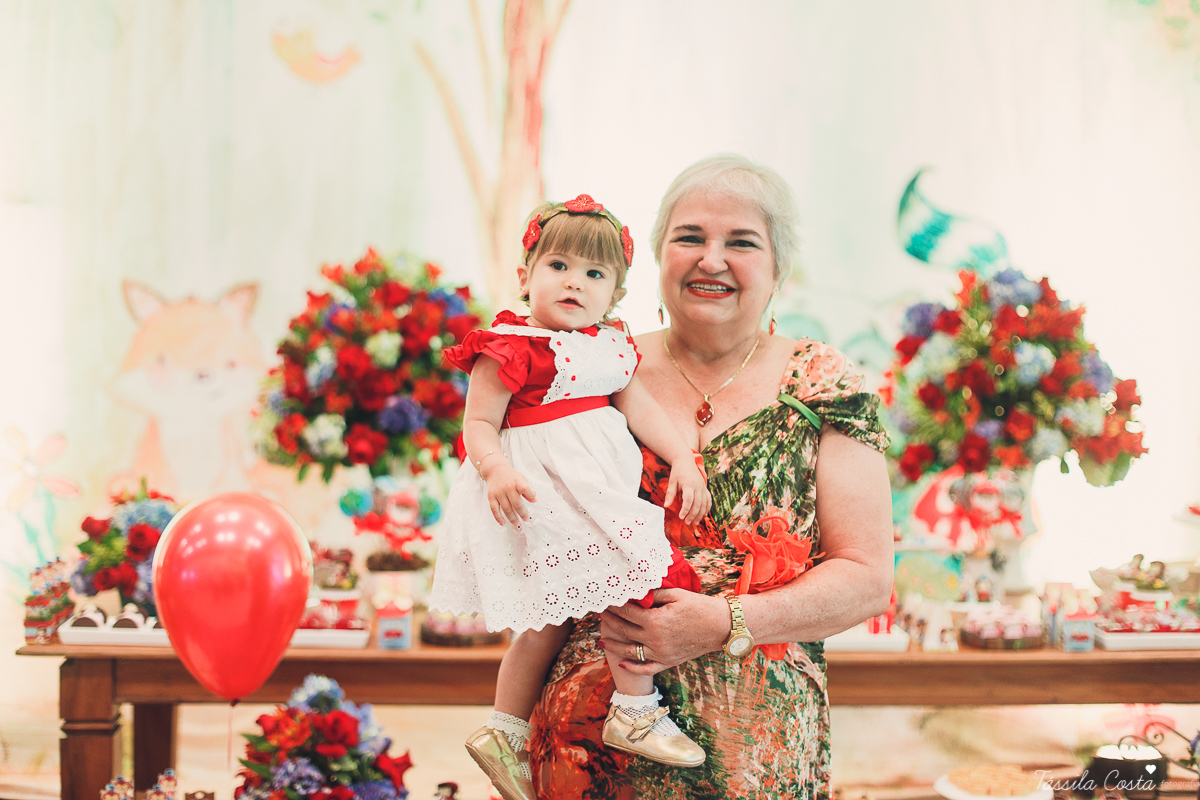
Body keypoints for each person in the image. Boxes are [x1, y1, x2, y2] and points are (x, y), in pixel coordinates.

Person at [528, 155, 895, 799]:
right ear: (657, 256)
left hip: (757, 758)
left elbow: (866, 579)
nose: (711, 259)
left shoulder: (821, 382)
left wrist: (727, 620)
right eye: (689, 238)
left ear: (779, 268)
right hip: (588, 750)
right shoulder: (594, 365)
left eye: (741, 242)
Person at [428, 195, 714, 800]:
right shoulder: (510, 345)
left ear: (613, 294)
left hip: (594, 492)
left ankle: (503, 729)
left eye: (594, 274)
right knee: (636, 581)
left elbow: (640, 409)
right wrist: (496, 468)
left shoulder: (609, 346)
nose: (573, 283)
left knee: (549, 620)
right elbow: (478, 423)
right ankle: (635, 710)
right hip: (541, 493)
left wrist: (685, 457)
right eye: (558, 266)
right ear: (525, 273)